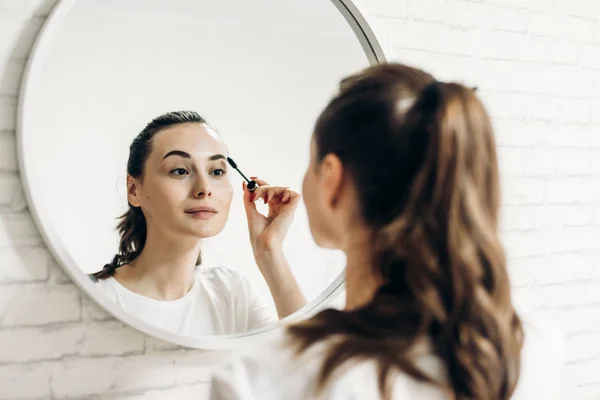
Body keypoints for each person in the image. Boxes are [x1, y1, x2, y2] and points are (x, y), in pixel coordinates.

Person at [209, 64, 563, 399]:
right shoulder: (529, 347)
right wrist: (271, 253)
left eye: (311, 161)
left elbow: (305, 367)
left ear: (331, 178)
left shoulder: (258, 380)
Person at [91, 111, 306, 336]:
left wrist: (269, 251)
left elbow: (316, 364)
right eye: (180, 171)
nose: (205, 188)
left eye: (217, 171)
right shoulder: (94, 297)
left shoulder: (232, 293)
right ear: (134, 190)